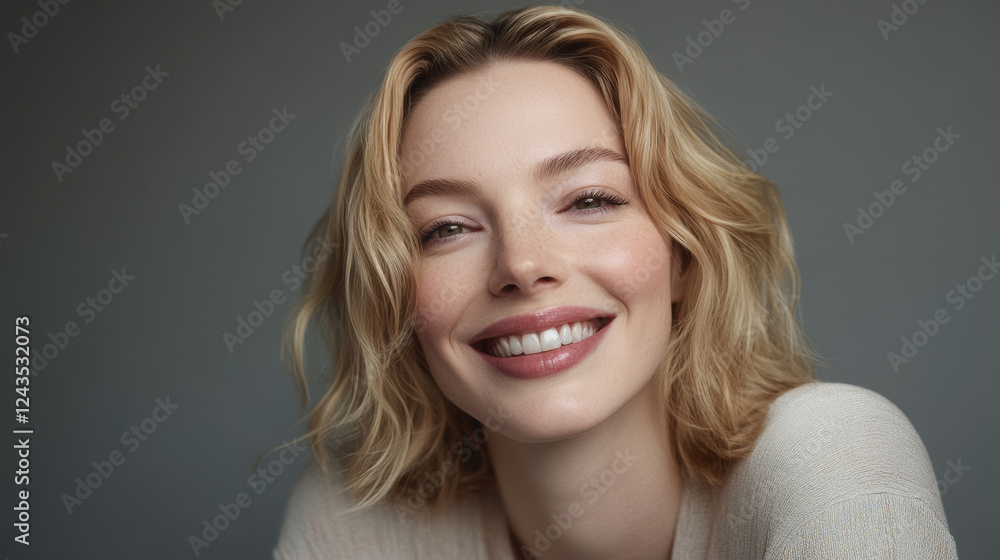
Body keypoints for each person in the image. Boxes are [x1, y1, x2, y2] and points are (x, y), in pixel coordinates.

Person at [272, 5, 958, 559]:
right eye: (447, 228)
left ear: (684, 254)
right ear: (396, 296)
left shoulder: (836, 459)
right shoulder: (355, 521)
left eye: (588, 200)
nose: (521, 265)